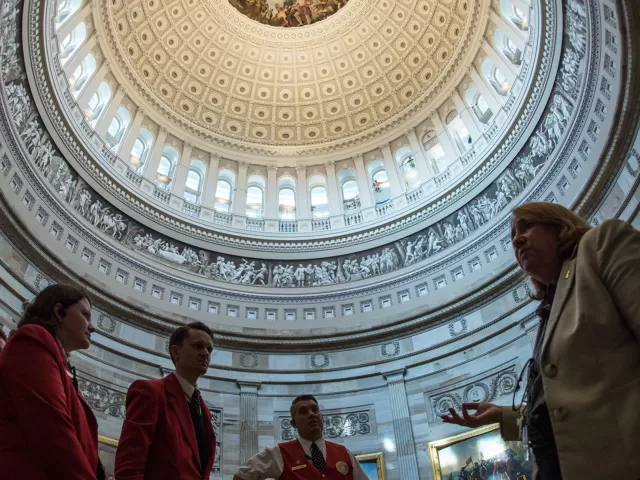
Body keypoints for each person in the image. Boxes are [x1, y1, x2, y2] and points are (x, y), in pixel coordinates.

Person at [440, 202, 640, 479]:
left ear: (559, 226)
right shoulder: (548, 310)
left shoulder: (600, 244)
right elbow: (561, 409)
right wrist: (503, 416)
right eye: (512, 237)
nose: (517, 240)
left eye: (528, 226)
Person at [0, 283, 105, 480]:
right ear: (59, 311)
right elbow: (53, 430)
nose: (93, 327)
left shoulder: (61, 362)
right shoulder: (33, 339)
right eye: (85, 315)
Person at [115, 321, 216, 480]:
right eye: (197, 346)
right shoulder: (150, 392)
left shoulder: (205, 412)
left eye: (209, 349)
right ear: (176, 352)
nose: (205, 353)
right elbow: (129, 465)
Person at [233, 394, 369, 480]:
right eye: (303, 412)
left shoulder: (344, 453)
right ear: (293, 423)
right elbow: (242, 476)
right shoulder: (278, 453)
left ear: (322, 417)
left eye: (315, 410)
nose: (311, 414)